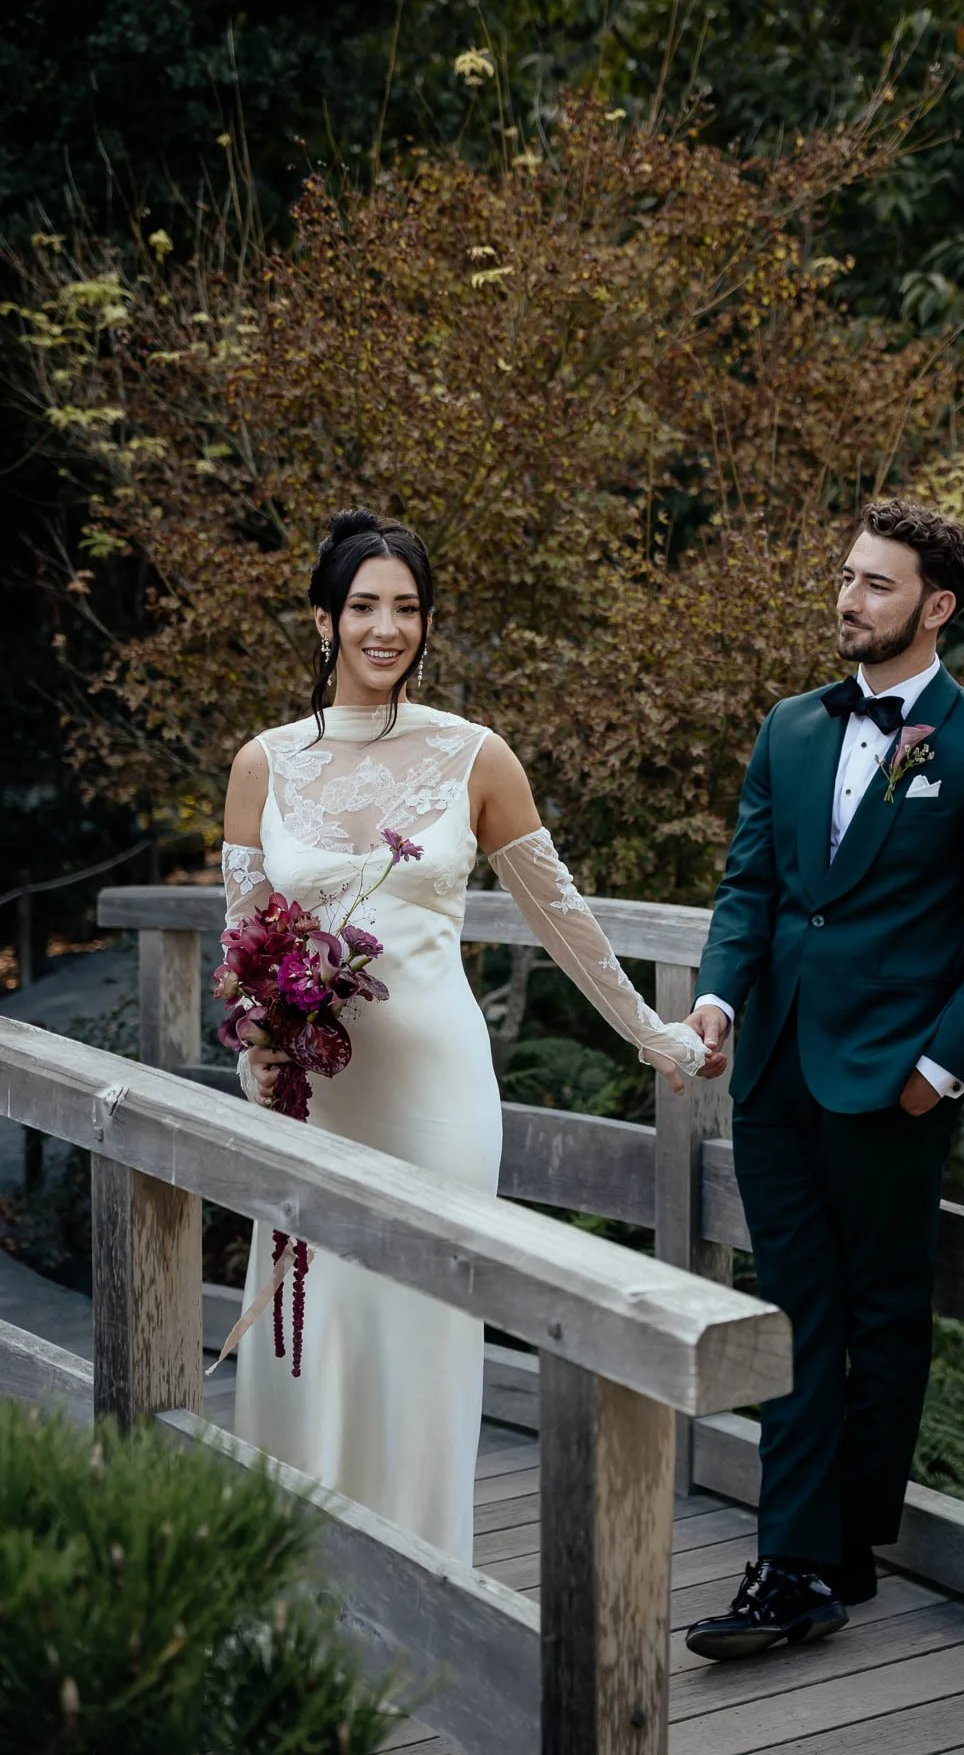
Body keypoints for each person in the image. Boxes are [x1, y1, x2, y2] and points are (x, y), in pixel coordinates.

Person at [222, 507, 711, 1562]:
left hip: (436, 1096)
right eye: (363, 607)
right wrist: (258, 1056)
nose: (384, 628)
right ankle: (293, 1575)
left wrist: (647, 1033)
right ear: (323, 622)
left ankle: (420, 1575)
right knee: (310, 1333)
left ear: (428, 624)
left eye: (405, 608)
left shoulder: (474, 756)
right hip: (310, 1099)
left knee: (420, 1329)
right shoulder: (262, 764)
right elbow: (241, 950)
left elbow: (560, 913)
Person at [682, 497, 964, 1660]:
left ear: (935, 608)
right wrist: (716, 993)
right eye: (847, 577)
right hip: (775, 1069)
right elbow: (751, 889)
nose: (850, 599)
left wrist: (934, 1073)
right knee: (791, 1310)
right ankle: (793, 1563)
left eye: (877, 584)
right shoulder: (789, 727)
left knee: (884, 1320)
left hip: (891, 1083)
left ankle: (834, 1553)